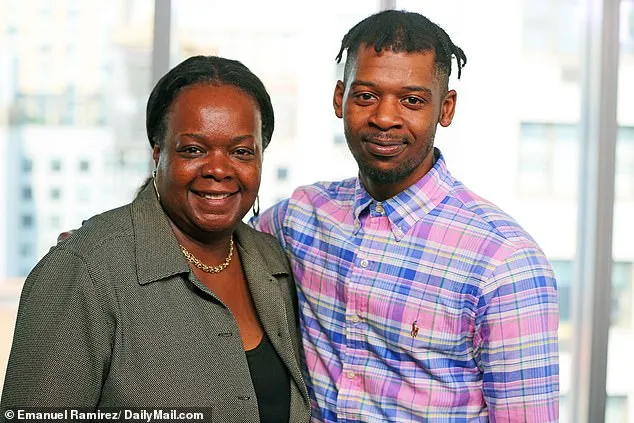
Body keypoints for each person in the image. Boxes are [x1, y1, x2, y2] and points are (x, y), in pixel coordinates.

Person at [251, 9, 559, 422]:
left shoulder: (505, 263)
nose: (384, 118)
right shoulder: (301, 218)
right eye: (366, 96)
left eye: (412, 100)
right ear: (339, 98)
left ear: (446, 109)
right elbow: (217, 245)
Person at [1, 55, 310, 423]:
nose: (218, 169)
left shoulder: (273, 263)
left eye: (241, 152)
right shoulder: (86, 269)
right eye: (193, 150)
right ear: (158, 152)